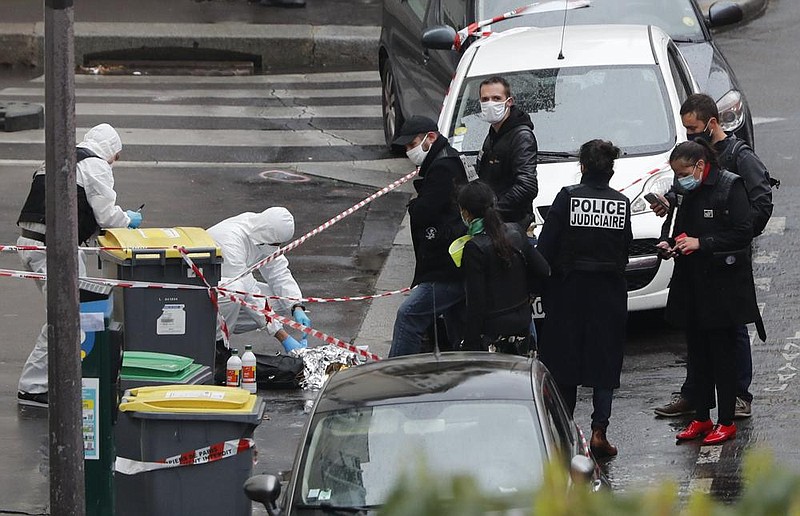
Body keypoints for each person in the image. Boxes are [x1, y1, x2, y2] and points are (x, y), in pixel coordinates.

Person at [652, 93, 775, 419]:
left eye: (693, 129)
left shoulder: (739, 156)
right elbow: (685, 200)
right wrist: (670, 207)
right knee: (698, 332)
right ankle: (696, 394)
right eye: (686, 130)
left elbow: (760, 205)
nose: (690, 135)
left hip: (726, 261)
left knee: (731, 330)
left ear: (711, 123)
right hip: (697, 264)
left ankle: (737, 395)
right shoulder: (691, 162)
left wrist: (738, 238)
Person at [16, 123, 141, 407]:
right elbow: (107, 215)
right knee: (68, 317)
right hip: (55, 252)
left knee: (68, 316)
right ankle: (34, 387)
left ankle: (53, 380)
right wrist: (127, 220)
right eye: (116, 156)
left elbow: (73, 205)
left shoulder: (59, 158)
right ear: (110, 150)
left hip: (33, 243)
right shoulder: (96, 165)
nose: (114, 162)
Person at [656, 140, 760, 445]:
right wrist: (669, 242)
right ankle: (701, 417)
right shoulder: (686, 192)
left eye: (684, 172)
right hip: (691, 285)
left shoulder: (730, 186)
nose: (680, 179)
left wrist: (702, 243)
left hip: (722, 287)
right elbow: (674, 224)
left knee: (722, 356)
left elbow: (743, 231)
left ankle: (725, 420)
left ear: (700, 166)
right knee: (697, 355)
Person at [536, 139, 632, 458]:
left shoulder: (567, 198)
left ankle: (565, 434)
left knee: (565, 363)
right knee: (604, 364)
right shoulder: (621, 203)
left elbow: (546, 247)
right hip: (608, 295)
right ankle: (598, 431)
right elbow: (625, 250)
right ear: (611, 170)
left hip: (568, 293)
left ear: (583, 166)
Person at [388, 116, 467, 357]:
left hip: (445, 266)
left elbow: (427, 210)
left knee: (409, 315)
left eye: (412, 144)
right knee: (457, 328)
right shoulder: (443, 160)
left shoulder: (444, 166)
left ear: (430, 137)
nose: (409, 151)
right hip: (452, 262)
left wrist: (416, 205)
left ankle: (397, 373)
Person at [207, 207, 310, 383]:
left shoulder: (263, 232)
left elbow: (278, 271)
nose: (276, 248)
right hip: (205, 299)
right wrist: (282, 335)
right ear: (265, 236)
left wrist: (295, 306)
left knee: (279, 301)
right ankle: (216, 347)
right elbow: (249, 292)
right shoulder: (231, 240)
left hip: (231, 297)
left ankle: (224, 334)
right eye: (275, 244)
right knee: (235, 290)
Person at [456, 181, 549, 354]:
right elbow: (544, 270)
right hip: (521, 324)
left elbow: (475, 303)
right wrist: (529, 295)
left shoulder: (474, 248)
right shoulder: (515, 232)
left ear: (466, 213)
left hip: (492, 333)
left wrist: (469, 344)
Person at [475, 76, 538, 227]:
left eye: (496, 98)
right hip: (496, 223)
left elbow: (527, 186)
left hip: (512, 225)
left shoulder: (521, 137)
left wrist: (494, 212)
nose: (490, 103)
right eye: (485, 99)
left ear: (509, 102)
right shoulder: (494, 133)